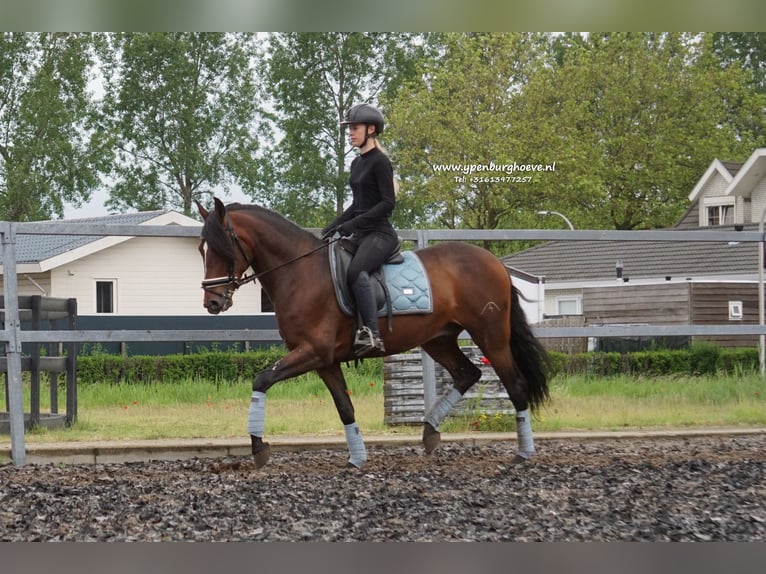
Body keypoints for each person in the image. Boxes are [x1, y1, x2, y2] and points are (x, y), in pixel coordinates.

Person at [321, 103, 398, 357]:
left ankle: (372, 334)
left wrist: (352, 225)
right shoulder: (357, 163)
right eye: (350, 129)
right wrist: (333, 225)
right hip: (362, 233)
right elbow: (357, 204)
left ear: (371, 129)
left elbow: (387, 204)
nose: (350, 133)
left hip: (380, 234)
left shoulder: (380, 162)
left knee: (356, 271)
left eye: (354, 128)